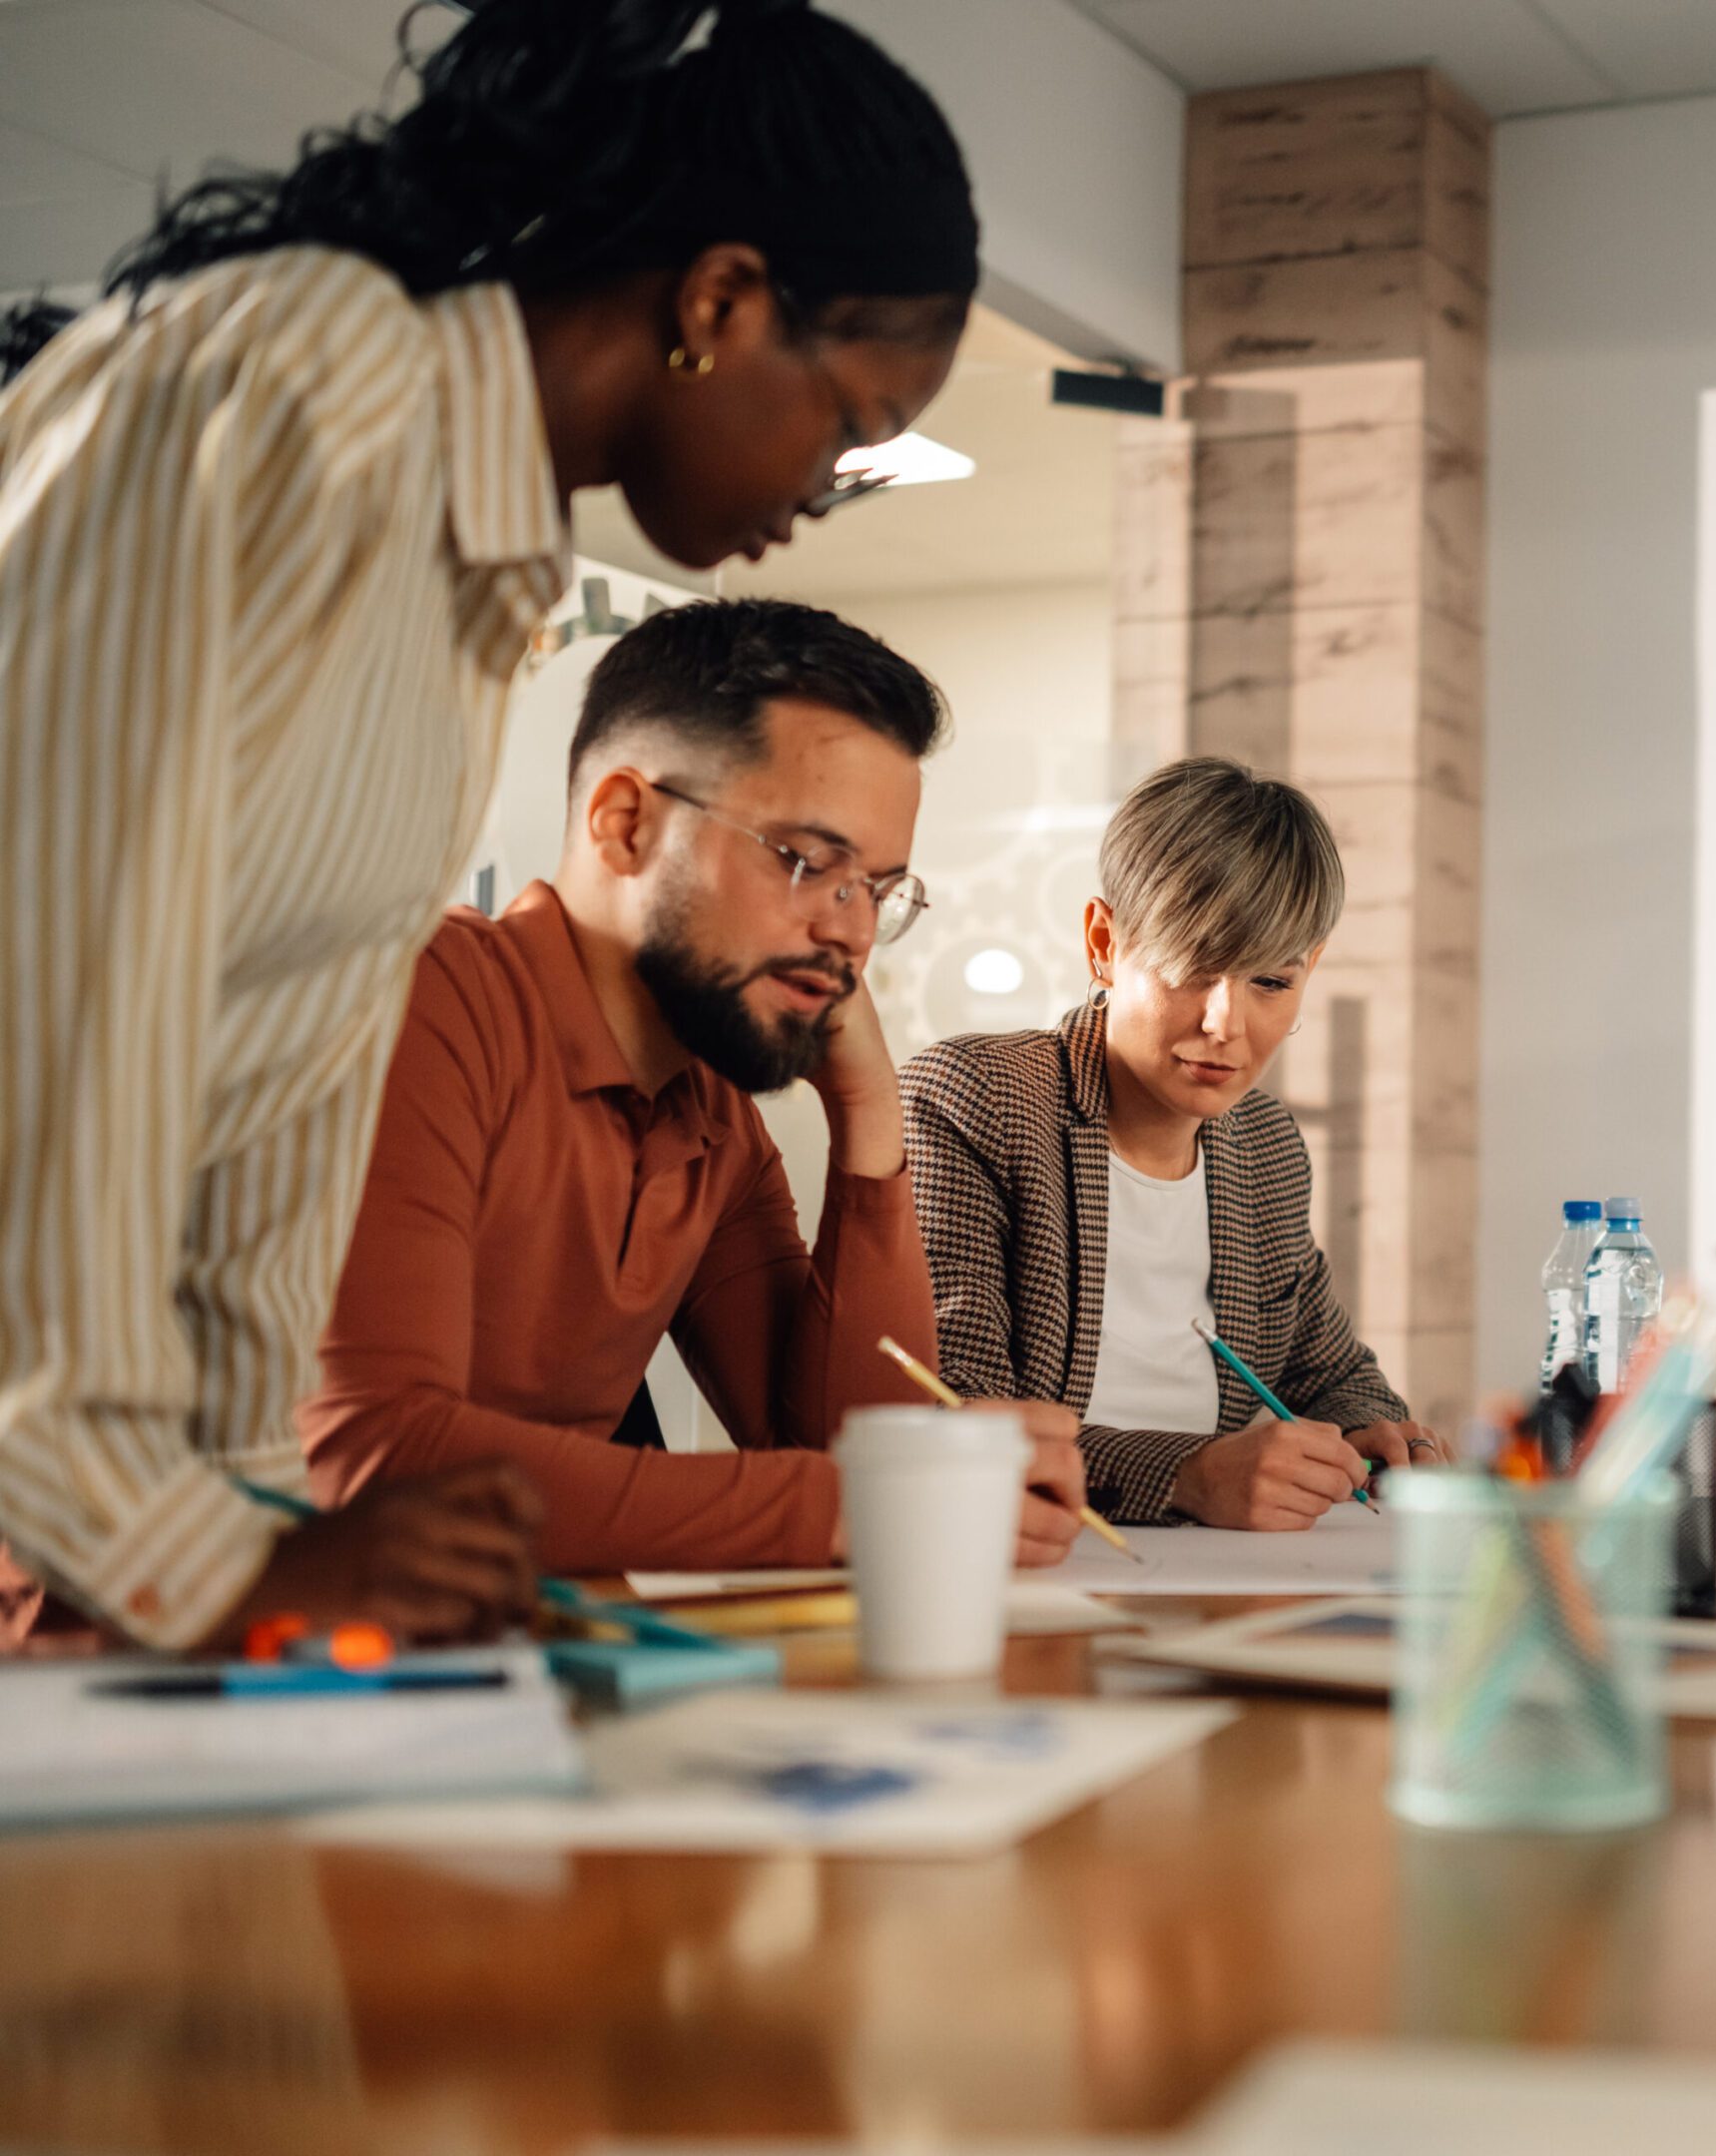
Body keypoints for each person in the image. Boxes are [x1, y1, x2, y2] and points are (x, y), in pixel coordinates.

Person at [0, 0, 980, 1648]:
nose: (832, 486)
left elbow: (258, 1153)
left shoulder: (474, 577)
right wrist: (215, 1558)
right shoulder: (306, 380)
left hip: (178, 1587)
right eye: (851, 422)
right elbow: (49, 1011)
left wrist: (278, 1548)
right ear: (720, 299)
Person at [298, 601, 1089, 1572]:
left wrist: (870, 1115)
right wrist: (870, 1503)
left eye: (878, 890)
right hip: (224, 1678)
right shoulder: (423, 1001)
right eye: (807, 862)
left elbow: (840, 1453)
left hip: (499, 1662)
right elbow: (377, 1463)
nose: (851, 932)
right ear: (625, 824)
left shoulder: (708, 1112)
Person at [901, 759, 1441, 1530]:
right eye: (1191, 966)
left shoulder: (1263, 1144)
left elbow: (1327, 1366)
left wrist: (1372, 1434)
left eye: (1271, 983)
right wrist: (1184, 1475)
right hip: (1015, 1561)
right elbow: (951, 1408)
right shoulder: (976, 1099)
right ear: (1103, 942)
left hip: (1215, 1574)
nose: (1224, 1024)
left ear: (1309, 972)